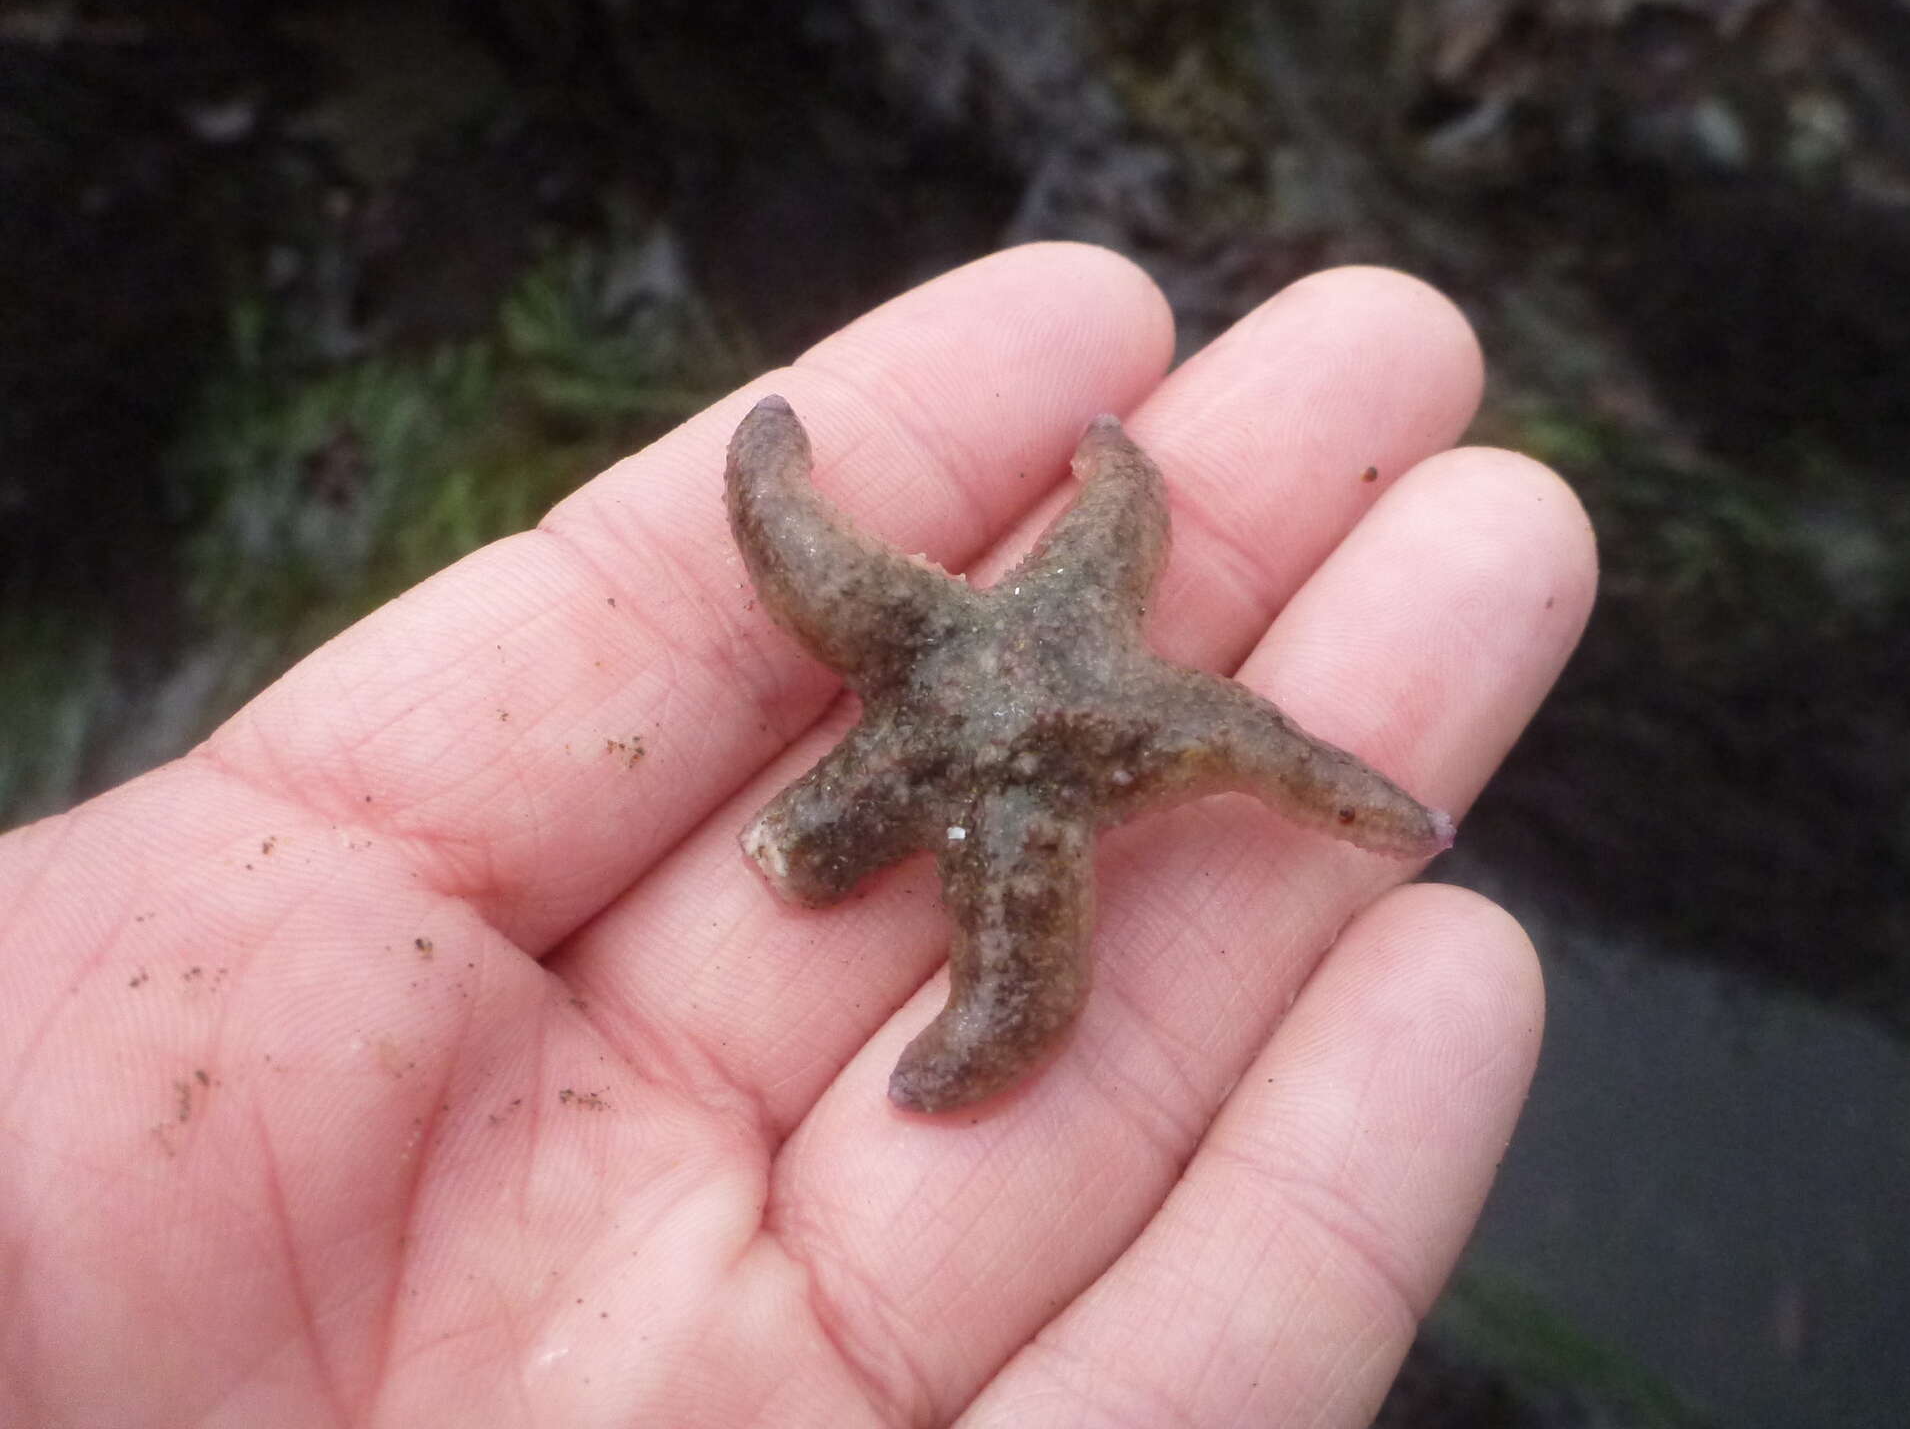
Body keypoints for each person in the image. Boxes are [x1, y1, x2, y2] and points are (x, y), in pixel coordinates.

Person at [0, 244, 1593, 1426]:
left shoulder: (1041, 649)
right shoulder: (991, 630)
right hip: (954, 749)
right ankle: (824, 840)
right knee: (885, 824)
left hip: (963, 752)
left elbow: (1161, 648)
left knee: (890, 835)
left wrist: (1359, 801)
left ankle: (822, 841)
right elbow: (843, 523)